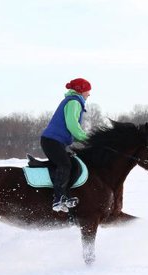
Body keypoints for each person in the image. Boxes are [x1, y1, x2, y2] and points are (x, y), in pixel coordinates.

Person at [41, 78, 91, 213]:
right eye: (88, 91)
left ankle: (65, 194)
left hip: (54, 141)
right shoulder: (75, 101)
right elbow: (73, 125)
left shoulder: (73, 101)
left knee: (69, 163)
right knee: (65, 165)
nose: (89, 94)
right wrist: (88, 139)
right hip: (52, 141)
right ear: (81, 90)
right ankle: (58, 199)